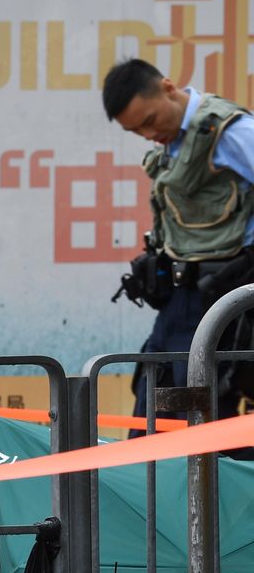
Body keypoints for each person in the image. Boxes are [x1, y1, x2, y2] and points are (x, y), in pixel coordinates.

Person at [104, 58, 254, 425]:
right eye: (136, 131)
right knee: (155, 401)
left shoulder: (232, 132)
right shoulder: (173, 141)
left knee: (202, 413)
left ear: (168, 88)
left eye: (149, 121)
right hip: (181, 299)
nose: (148, 135)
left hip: (227, 295)